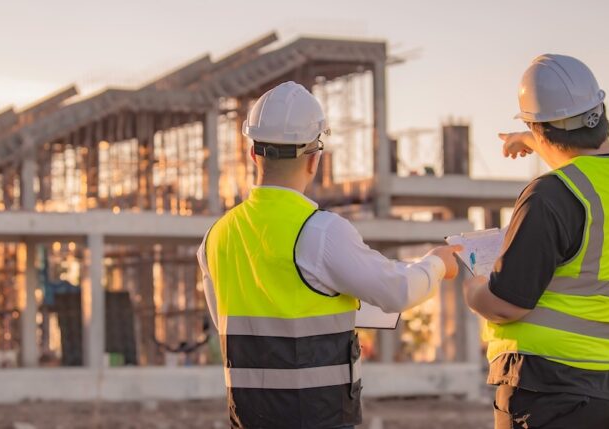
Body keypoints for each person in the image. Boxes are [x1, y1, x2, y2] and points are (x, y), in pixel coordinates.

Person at [197, 81, 462, 429]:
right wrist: (437, 263)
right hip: (318, 417)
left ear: (253, 154)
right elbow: (397, 290)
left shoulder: (217, 236)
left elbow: (236, 324)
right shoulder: (321, 232)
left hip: (248, 419)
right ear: (314, 159)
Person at [462, 54, 609, 428]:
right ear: (601, 113)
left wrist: (472, 290)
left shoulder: (549, 196)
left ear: (539, 128)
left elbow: (506, 305)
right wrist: (535, 139)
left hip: (546, 392)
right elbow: (594, 165)